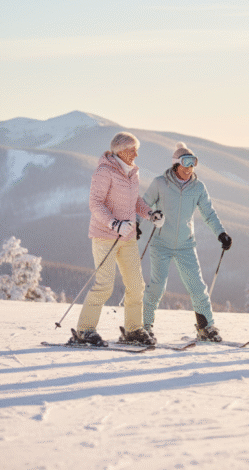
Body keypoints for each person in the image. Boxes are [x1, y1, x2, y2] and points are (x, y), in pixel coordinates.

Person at [73, 132, 161, 346]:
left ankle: (133, 330)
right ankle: (85, 330)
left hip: (128, 238)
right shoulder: (105, 172)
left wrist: (150, 214)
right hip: (105, 236)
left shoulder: (132, 173)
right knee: (104, 285)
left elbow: (135, 201)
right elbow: (95, 204)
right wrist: (115, 224)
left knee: (136, 285)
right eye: (132, 150)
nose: (136, 154)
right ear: (120, 151)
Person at [142, 142, 232, 342]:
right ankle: (145, 326)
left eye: (193, 164)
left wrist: (221, 233)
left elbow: (209, 213)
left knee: (197, 287)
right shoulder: (160, 183)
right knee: (157, 287)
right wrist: (139, 224)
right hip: (161, 243)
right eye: (185, 164)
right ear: (176, 165)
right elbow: (144, 204)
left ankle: (206, 327)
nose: (189, 169)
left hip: (185, 245)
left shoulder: (198, 187)